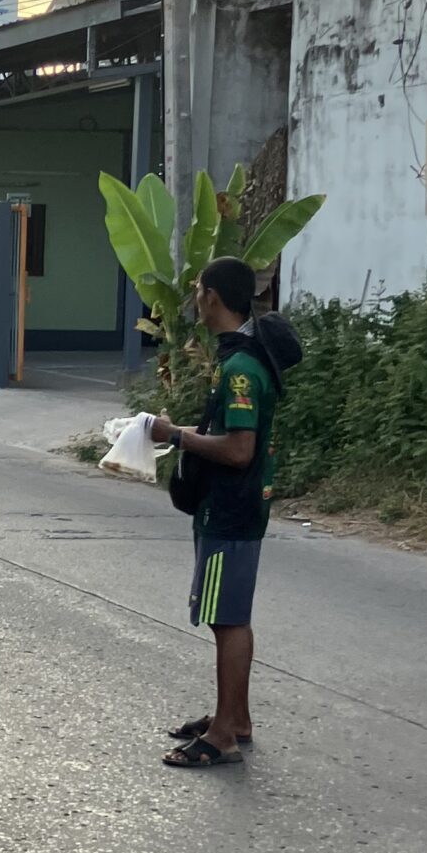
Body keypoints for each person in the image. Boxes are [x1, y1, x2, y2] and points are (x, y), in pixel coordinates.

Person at [149, 257, 303, 769]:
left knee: (226, 619)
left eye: (199, 289)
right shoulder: (240, 357)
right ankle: (234, 718)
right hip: (236, 507)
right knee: (230, 616)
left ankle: (222, 737)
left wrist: (175, 436)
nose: (196, 298)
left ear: (212, 296)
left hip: (230, 509)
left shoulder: (240, 369)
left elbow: (239, 449)